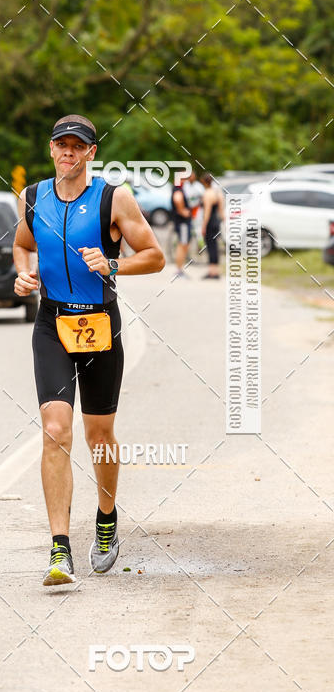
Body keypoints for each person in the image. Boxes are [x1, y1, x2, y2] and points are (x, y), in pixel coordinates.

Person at [13, 114, 165, 587]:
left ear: (92, 153)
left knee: (99, 435)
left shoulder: (112, 198)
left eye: (78, 146)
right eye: (61, 145)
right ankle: (60, 548)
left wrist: (113, 263)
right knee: (55, 429)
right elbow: (22, 244)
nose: (68, 153)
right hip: (51, 323)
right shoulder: (32, 197)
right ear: (51, 149)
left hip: (99, 325)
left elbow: (155, 256)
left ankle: (105, 520)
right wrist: (23, 275)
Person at [200, 172, 225, 279]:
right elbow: (221, 210)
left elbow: (207, 212)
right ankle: (216, 271)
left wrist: (203, 226)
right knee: (215, 246)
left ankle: (212, 271)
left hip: (210, 222)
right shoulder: (218, 193)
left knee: (210, 246)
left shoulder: (207, 194)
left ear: (205, 182)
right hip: (217, 222)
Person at [171, 171, 192, 278]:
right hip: (183, 222)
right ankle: (179, 270)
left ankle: (179, 269)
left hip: (182, 222)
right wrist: (183, 211)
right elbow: (177, 199)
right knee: (182, 244)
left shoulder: (178, 187)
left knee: (183, 244)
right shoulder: (178, 189)